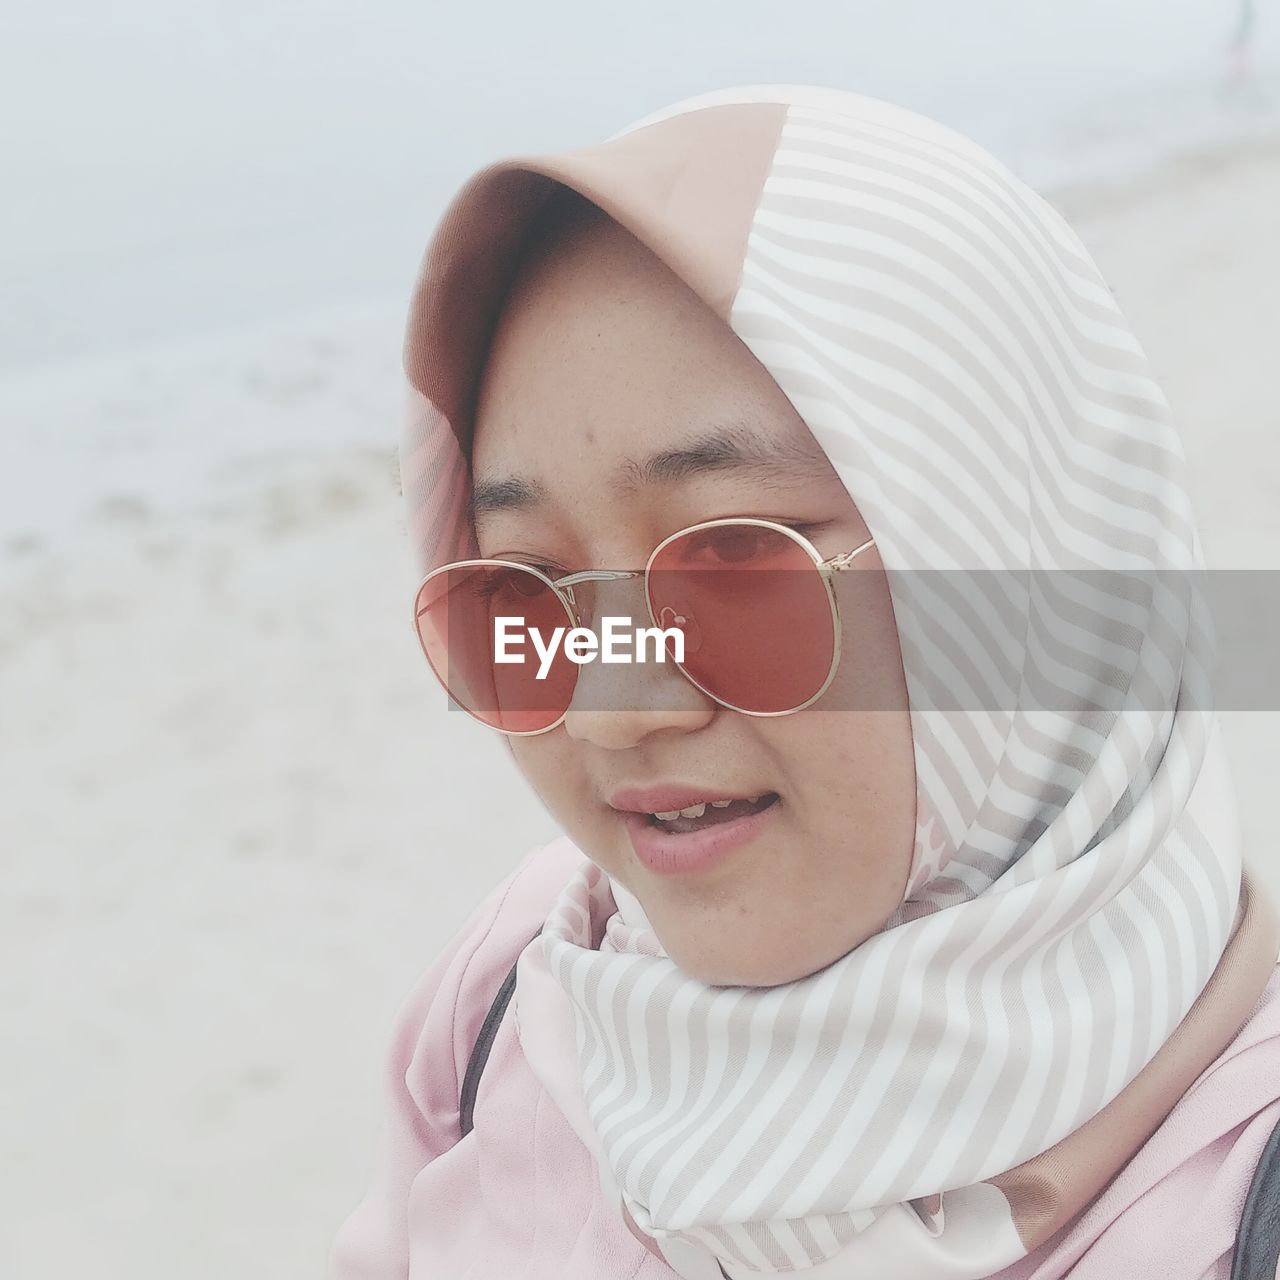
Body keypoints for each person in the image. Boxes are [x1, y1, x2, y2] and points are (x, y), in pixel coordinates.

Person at [326, 85, 1280, 1280]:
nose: (614, 710)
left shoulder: (1233, 1206)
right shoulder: (513, 993)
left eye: (737, 562)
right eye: (523, 584)